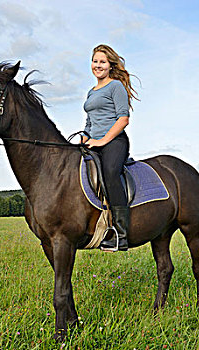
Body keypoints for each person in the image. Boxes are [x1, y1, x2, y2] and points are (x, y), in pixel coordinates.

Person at [82, 44, 138, 252]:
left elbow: (123, 119)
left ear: (110, 65)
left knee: (110, 174)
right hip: (93, 142)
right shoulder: (91, 92)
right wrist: (85, 136)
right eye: (95, 61)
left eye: (102, 62)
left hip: (114, 142)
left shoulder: (115, 86)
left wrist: (102, 140)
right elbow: (90, 121)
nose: (98, 65)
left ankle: (121, 235)